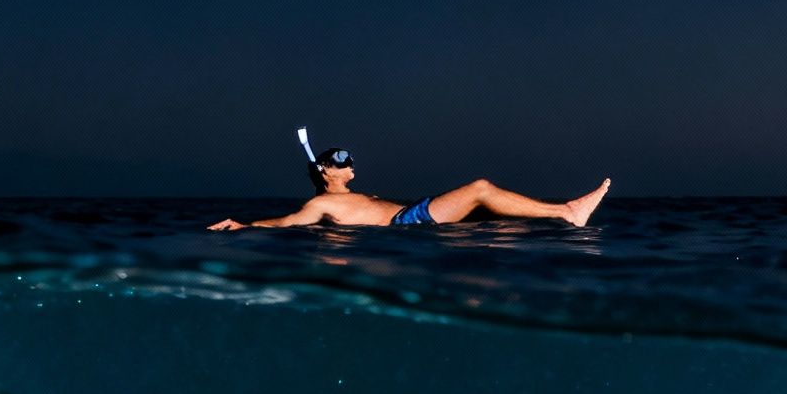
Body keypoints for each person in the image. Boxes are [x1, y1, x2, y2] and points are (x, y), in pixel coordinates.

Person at [207, 146, 610, 230]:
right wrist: (244, 226)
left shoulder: (347, 197)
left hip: (414, 221)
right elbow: (289, 222)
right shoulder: (322, 204)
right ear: (326, 171)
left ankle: (560, 214)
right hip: (409, 223)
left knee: (497, 222)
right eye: (342, 160)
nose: (351, 164)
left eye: (351, 159)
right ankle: (568, 211)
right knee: (481, 189)